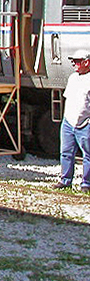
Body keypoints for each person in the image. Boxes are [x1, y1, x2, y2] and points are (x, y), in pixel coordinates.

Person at [54, 48, 90, 192]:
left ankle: (86, 184)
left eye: (77, 61)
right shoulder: (72, 78)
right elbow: (67, 98)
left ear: (87, 62)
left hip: (85, 122)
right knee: (66, 152)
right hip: (69, 121)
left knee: (88, 154)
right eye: (73, 61)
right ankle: (65, 180)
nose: (74, 64)